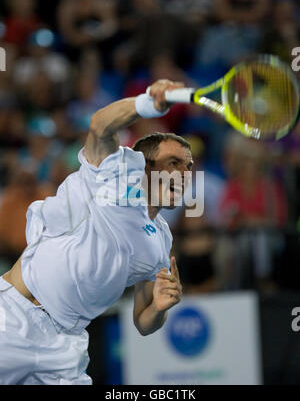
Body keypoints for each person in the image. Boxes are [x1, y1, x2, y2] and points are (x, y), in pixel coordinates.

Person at [0, 79, 192, 385]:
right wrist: (147, 103)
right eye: (174, 163)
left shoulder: (161, 240)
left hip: (65, 347)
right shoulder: (111, 176)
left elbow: (143, 322)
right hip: (12, 317)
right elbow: (100, 125)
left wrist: (158, 307)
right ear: (144, 167)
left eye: (188, 167)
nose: (184, 175)